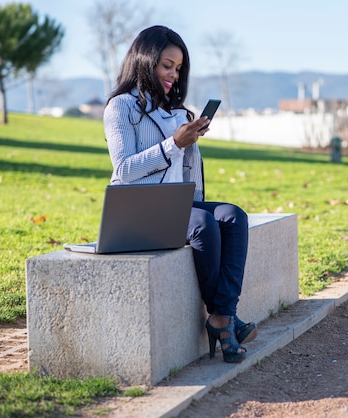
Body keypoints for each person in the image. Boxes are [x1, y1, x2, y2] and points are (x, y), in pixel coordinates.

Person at [103, 25, 256, 363]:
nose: (174, 74)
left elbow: (186, 174)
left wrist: (187, 140)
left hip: (176, 204)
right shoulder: (120, 108)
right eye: (166, 65)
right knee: (202, 223)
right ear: (145, 62)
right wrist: (174, 144)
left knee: (232, 215)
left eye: (178, 68)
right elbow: (125, 170)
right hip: (138, 209)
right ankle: (226, 320)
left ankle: (223, 314)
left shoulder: (176, 112)